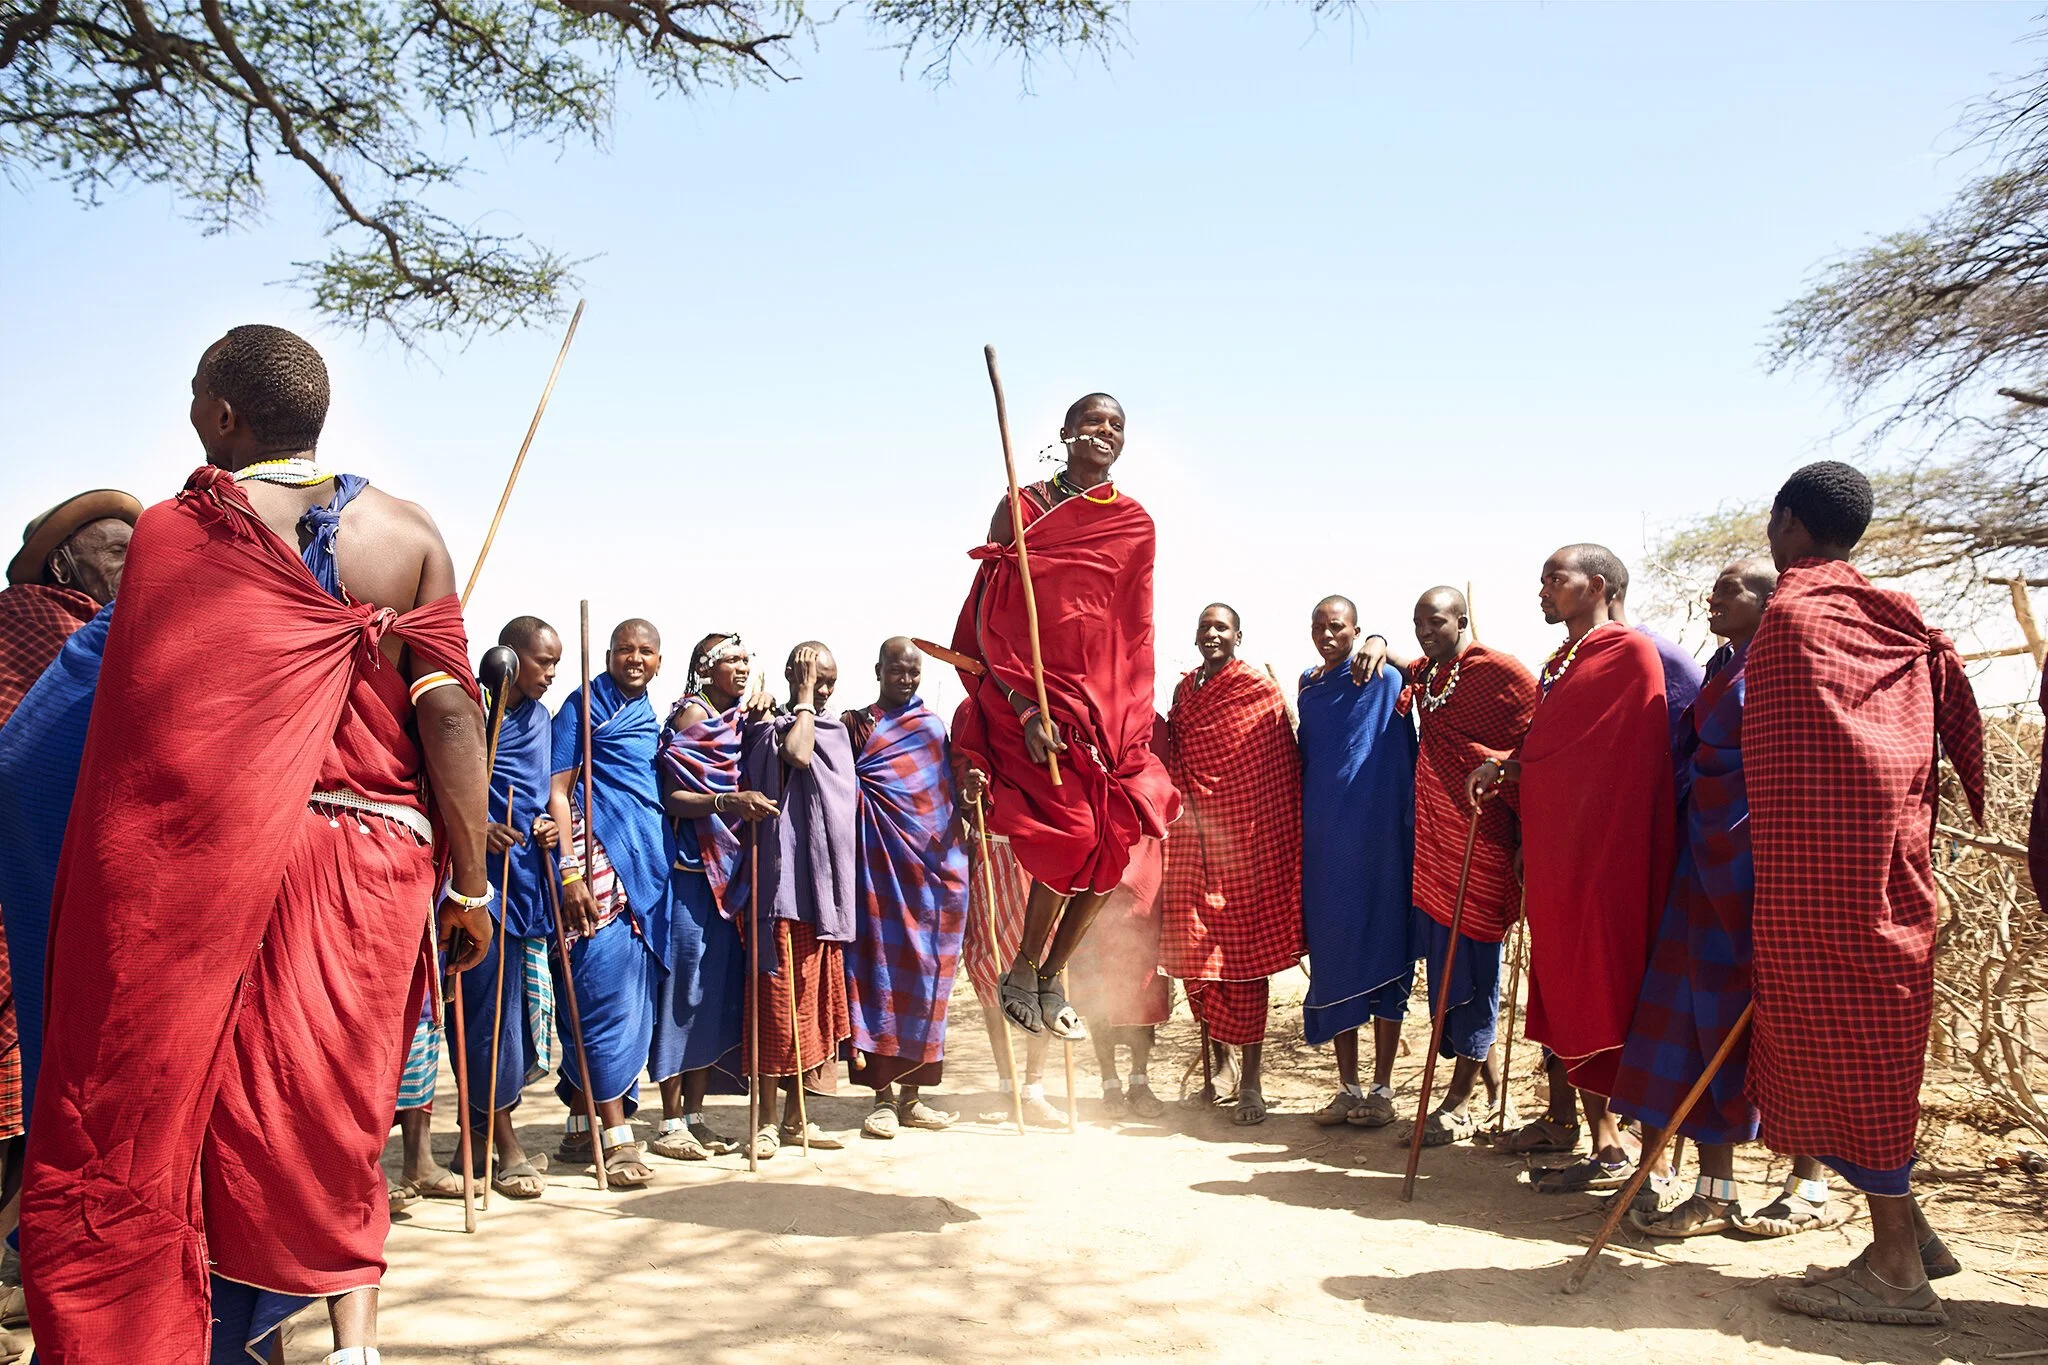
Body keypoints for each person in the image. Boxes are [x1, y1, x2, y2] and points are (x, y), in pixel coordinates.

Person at [20, 324, 493, 1365]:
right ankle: (343, 1343)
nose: (192, 418)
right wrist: (471, 887)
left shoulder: (177, 536)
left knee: (186, 1108)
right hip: (369, 869)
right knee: (324, 1113)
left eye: (196, 399)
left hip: (211, 869)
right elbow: (451, 717)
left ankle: (213, 1340)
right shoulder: (408, 535)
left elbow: (143, 743)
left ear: (225, 417)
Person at [1749, 463, 1985, 1327]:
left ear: (1790, 525)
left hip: (1821, 893)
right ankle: (1910, 1234)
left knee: (1837, 1066)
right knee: (1874, 1066)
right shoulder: (1900, 615)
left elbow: (1787, 767)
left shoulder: (1793, 613)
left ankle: (1894, 1275)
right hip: (1896, 883)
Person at [1603, 559, 1841, 1235]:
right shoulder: (1718, 667)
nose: (1713, 597)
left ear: (1771, 603)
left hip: (1769, 878)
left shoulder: (1787, 671)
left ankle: (1810, 1185)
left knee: (1792, 1030)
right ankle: (1717, 1189)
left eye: (1730, 589)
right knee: (1695, 1026)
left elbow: (1802, 777)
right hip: (1702, 871)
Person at [949, 393, 1181, 1042]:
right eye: (1093, 421)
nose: (1104, 431)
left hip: (1107, 709)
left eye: (1117, 425)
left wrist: (1128, 713)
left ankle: (1048, 976)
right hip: (1031, 704)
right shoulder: (1021, 509)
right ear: (1066, 433)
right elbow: (989, 626)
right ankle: (1024, 970)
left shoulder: (1135, 522)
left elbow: (1133, 631)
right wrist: (1025, 708)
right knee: (1076, 834)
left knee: (1119, 837)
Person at [1468, 545, 1674, 1193]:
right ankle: (1603, 1144)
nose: (1542, 589)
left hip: (1612, 860)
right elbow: (1550, 750)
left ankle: (1657, 1160)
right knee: (1569, 994)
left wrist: (1525, 767)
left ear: (1600, 584)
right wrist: (1507, 766)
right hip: (1559, 861)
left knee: (1620, 992)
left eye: (1555, 578)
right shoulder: (1563, 663)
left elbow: (1626, 758)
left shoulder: (1634, 654)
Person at [1396, 586, 1538, 1146]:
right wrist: (1380, 641)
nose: (1424, 632)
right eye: (1416, 623)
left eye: (1435, 622)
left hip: (1486, 835)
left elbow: (1538, 741)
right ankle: (1486, 1089)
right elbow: (1396, 661)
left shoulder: (1498, 671)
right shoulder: (1429, 675)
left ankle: (1456, 1101)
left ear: (1461, 620)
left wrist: (1525, 823)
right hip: (1437, 846)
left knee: (1475, 965)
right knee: (1445, 967)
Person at [1160, 604, 1304, 1126]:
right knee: (1195, 957)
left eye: (1222, 627)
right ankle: (1215, 1068)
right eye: (1204, 627)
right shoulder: (1184, 692)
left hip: (1245, 848)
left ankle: (1251, 1081)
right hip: (1192, 845)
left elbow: (1277, 772)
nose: (1213, 633)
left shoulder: (1257, 691)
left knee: (1243, 966)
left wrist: (1271, 844)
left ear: (1239, 635)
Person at [546, 619, 668, 1189]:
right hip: (591, 867)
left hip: (643, 868)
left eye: (645, 651)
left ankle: (578, 1125)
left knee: (625, 997)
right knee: (597, 994)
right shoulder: (581, 706)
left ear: (660, 660)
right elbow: (557, 791)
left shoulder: (650, 720)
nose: (634, 659)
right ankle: (617, 1140)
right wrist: (570, 871)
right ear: (611, 653)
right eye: (625, 650)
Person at [452, 615, 565, 1200]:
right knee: (481, 1011)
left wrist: (542, 825)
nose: (551, 674)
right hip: (475, 882)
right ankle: (506, 1143)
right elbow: (443, 785)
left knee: (510, 1015)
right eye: (543, 662)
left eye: (557, 664)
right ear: (511, 657)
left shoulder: (542, 719)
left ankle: (473, 1139)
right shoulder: (470, 705)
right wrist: (479, 826)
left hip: (523, 877)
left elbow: (540, 792)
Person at [841, 639, 972, 1138]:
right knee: (876, 978)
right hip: (876, 872)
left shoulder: (934, 728)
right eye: (897, 670)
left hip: (932, 876)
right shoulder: (858, 726)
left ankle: (914, 1096)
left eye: (913, 672)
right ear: (878, 670)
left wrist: (971, 789)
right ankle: (881, 1099)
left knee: (925, 980)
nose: (906, 679)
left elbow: (951, 793)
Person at [1299, 596, 1418, 1131]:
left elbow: (1424, 670)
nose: (1329, 636)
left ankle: (1384, 1088)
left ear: (1357, 630)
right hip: (1325, 846)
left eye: (1339, 628)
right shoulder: (1308, 687)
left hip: (1379, 845)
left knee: (1386, 955)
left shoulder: (1384, 679)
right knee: (1334, 960)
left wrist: (1381, 645)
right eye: (1320, 628)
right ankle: (1348, 1088)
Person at [742, 643, 858, 1153]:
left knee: (811, 1006)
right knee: (774, 1005)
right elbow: (797, 753)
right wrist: (804, 697)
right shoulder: (771, 727)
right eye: (816, 678)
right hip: (780, 890)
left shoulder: (835, 731)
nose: (825, 689)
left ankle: (797, 1116)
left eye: (830, 680)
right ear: (795, 676)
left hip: (822, 892)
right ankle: (766, 1118)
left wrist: (812, 700)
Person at [650, 633, 759, 1160]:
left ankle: (695, 1116)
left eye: (746, 660)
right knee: (683, 993)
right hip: (691, 875)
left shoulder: (740, 718)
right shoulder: (692, 718)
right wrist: (725, 799)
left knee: (712, 995)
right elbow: (672, 795)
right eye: (732, 660)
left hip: (729, 878)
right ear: (703, 668)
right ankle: (671, 1122)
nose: (742, 668)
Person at [1068, 825, 1172, 1120]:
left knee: (1143, 984)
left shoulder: (1150, 777)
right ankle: (1109, 1083)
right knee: (1099, 989)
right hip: (1097, 870)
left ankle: (1140, 1082)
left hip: (1145, 878)